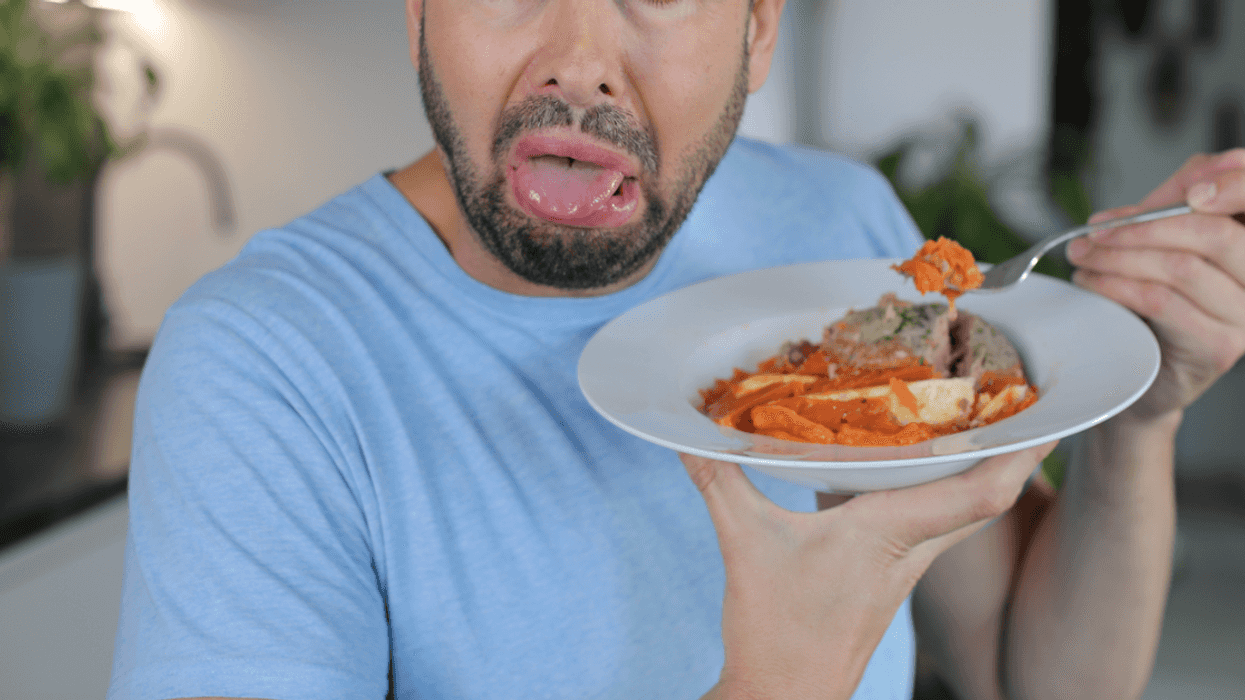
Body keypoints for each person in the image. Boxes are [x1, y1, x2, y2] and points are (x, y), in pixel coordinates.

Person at [107, 1, 1245, 699]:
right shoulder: (264, 364)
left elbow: (1027, 670)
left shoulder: (844, 232)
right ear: (416, 11)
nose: (580, 62)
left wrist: (1143, 420)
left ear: (757, 30)